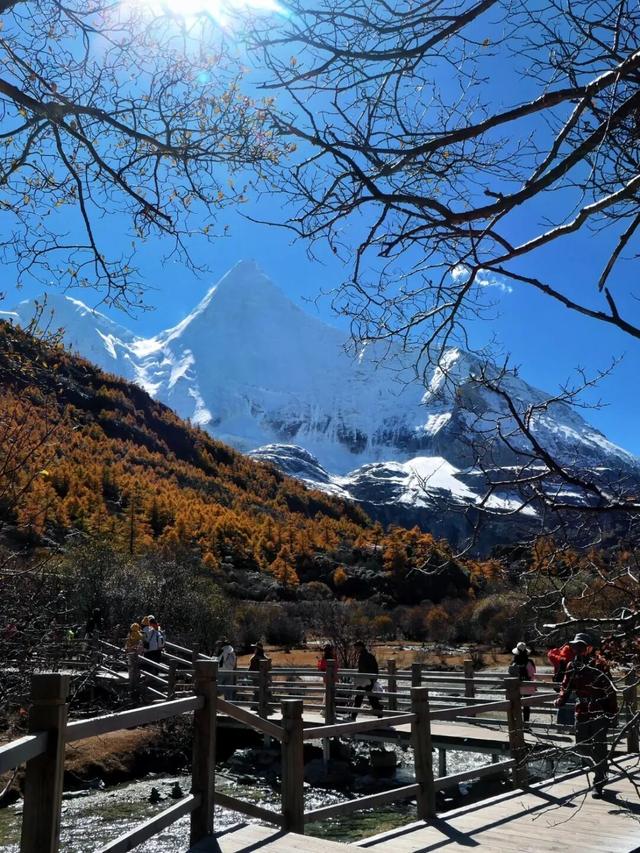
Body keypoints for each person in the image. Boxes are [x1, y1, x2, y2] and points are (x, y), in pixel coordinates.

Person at [556, 632, 617, 798]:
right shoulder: (572, 666)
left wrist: (613, 714)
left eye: (581, 646)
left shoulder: (600, 665)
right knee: (581, 746)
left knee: (599, 746)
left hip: (599, 711)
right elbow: (566, 686)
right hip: (581, 709)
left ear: (589, 648)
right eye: (575, 646)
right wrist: (560, 701)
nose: (577, 649)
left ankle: (599, 782)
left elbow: (610, 690)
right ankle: (601, 769)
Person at [351, 640, 383, 720]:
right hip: (368, 679)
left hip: (365, 679)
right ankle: (379, 711)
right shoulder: (368, 655)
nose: (356, 649)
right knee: (369, 697)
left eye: (356, 648)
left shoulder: (363, 656)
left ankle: (353, 716)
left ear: (360, 647)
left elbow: (363, 669)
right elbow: (375, 668)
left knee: (359, 697)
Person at [548, 641, 577, 726]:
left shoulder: (559, 659)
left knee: (562, 704)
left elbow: (550, 654)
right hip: (572, 684)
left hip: (562, 685)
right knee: (572, 706)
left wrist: (558, 649)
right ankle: (571, 726)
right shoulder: (574, 658)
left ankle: (560, 726)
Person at [509, 641, 537, 724]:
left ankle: (516, 724)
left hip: (516, 687)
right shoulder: (529, 662)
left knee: (516, 705)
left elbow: (510, 674)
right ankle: (526, 725)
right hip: (527, 687)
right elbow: (533, 674)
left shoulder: (514, 662)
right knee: (526, 707)